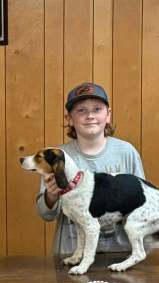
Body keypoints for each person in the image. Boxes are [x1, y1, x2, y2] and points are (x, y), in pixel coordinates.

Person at [36, 83, 147, 256]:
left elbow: (142, 202)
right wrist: (51, 195)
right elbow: (46, 214)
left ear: (108, 115)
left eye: (97, 109)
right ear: (69, 118)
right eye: (81, 110)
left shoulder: (126, 152)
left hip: (120, 253)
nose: (90, 116)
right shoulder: (57, 156)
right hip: (71, 254)